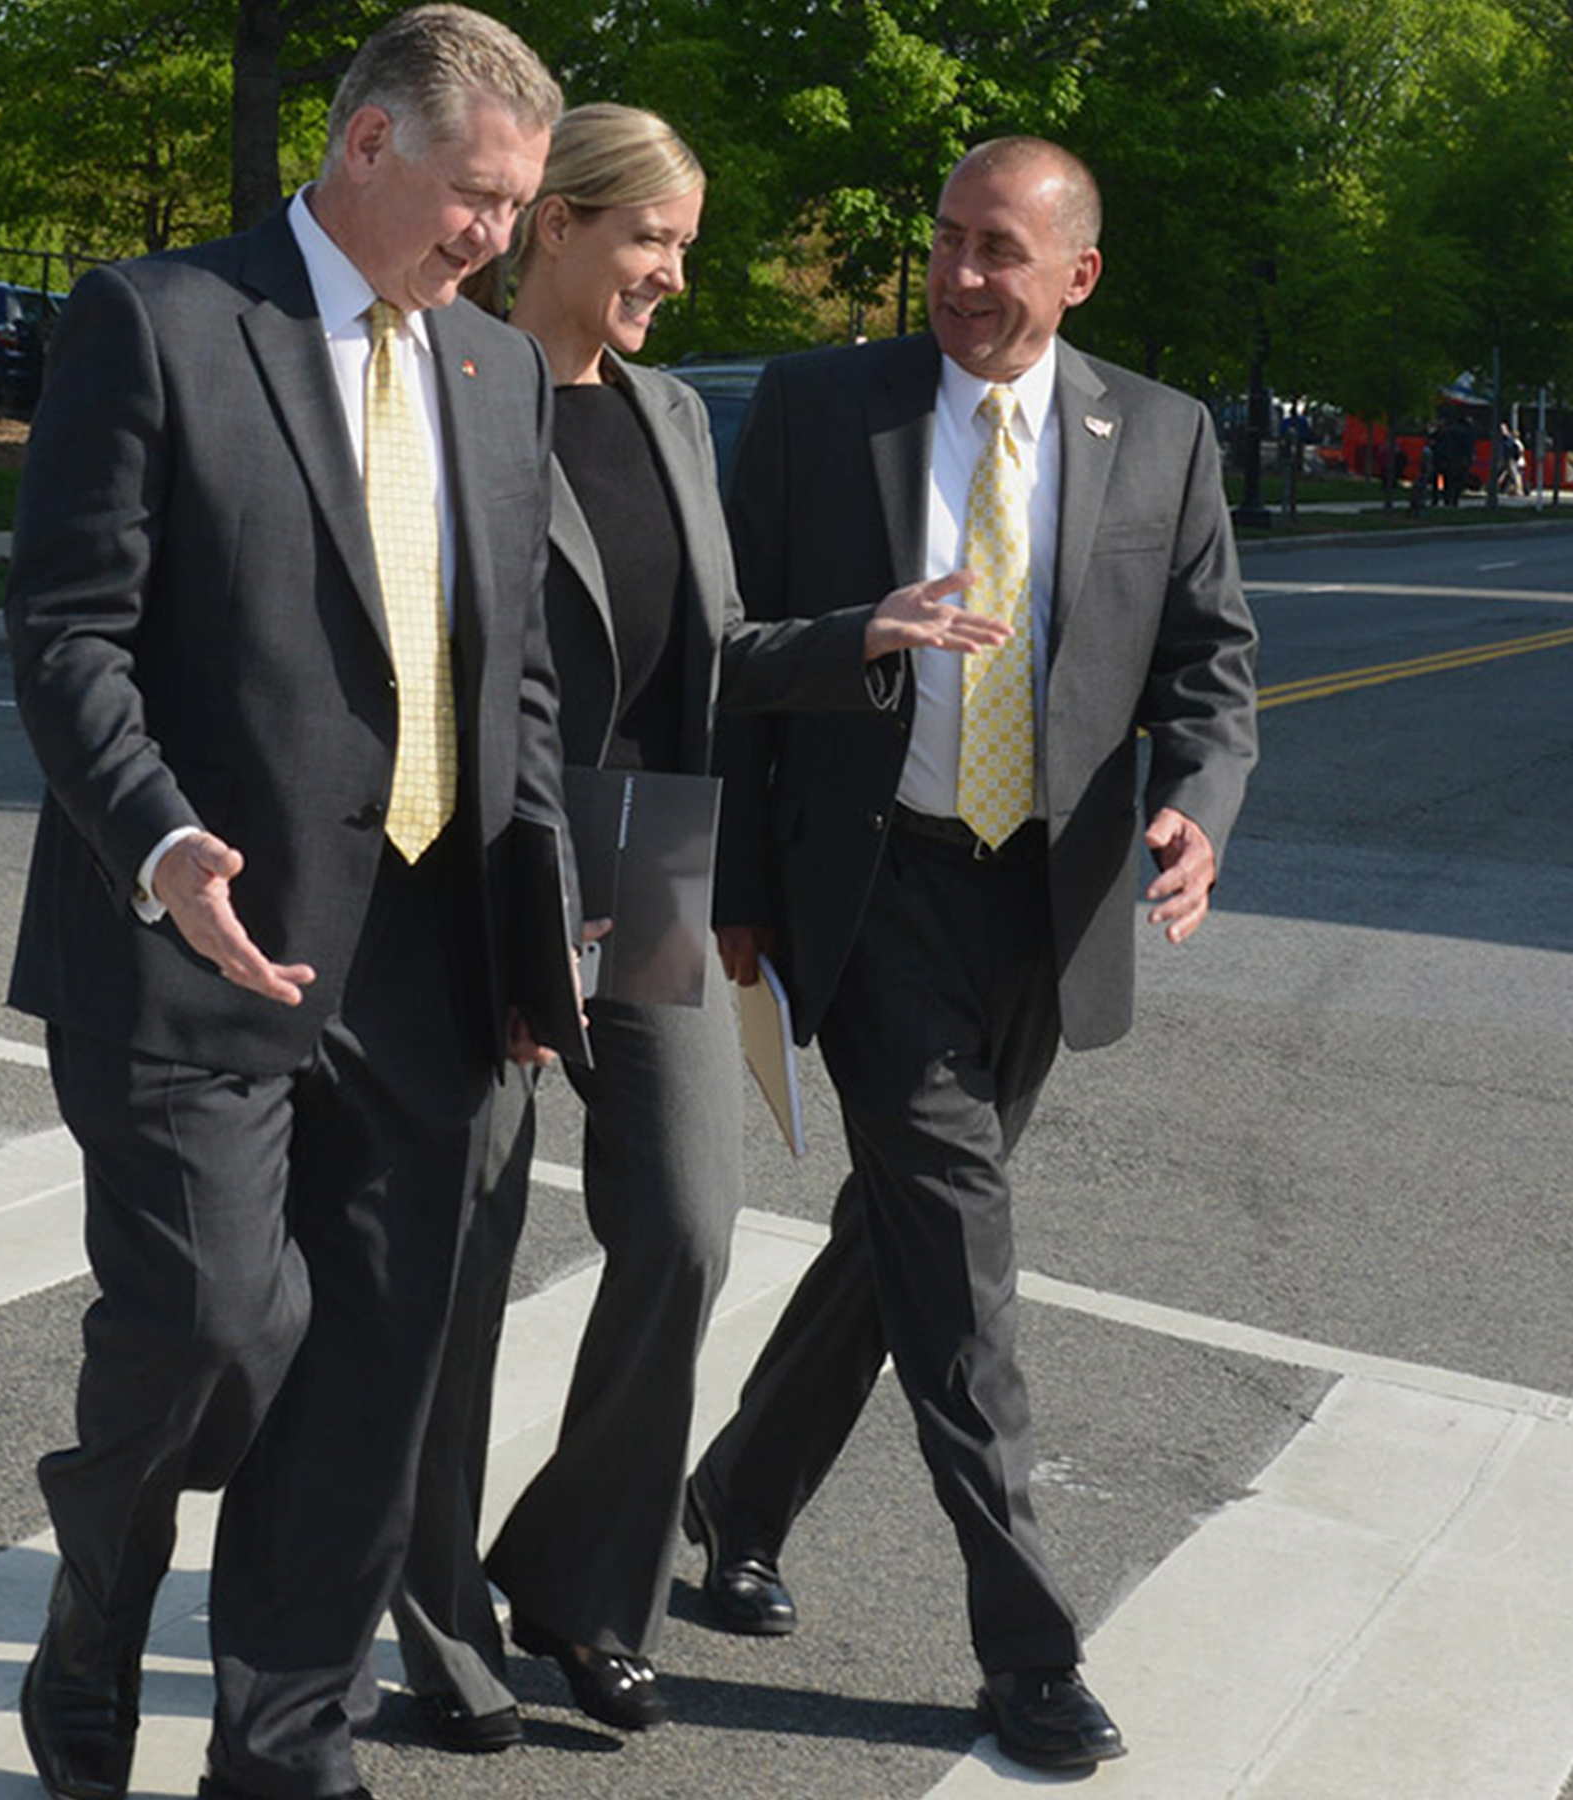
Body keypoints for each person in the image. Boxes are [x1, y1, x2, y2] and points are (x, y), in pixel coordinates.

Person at [384, 102, 1008, 1750]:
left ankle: (585, 1590)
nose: (672, 272)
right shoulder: (443, 377)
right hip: (485, 857)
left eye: (683, 243)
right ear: (557, 227)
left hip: (652, 849)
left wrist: (857, 634)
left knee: (686, 1231)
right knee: (464, 1247)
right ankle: (440, 1626)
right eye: (651, 237)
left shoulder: (669, 414)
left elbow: (712, 650)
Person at [0, 10, 574, 1800]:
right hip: (193, 945)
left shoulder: (498, 375)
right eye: (478, 197)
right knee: (216, 1329)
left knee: (378, 1366)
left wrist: (540, 936)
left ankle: (285, 1743)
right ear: (368, 147)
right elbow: (68, 634)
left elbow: (518, 684)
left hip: (428, 958)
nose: (495, 236)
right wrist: (162, 846)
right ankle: (98, 1608)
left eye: (518, 209)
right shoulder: (160, 321)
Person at [681, 136, 1259, 1772]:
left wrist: (1200, 808)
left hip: (1050, 913)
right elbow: (731, 670)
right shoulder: (816, 409)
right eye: (946, 241)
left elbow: (1211, 673)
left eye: (1000, 250)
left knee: (905, 1239)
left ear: (1078, 273)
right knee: (958, 1261)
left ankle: (734, 1501)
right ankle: (1027, 1648)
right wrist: (737, 885)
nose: (960, 276)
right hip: (874, 896)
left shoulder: (1163, 432)